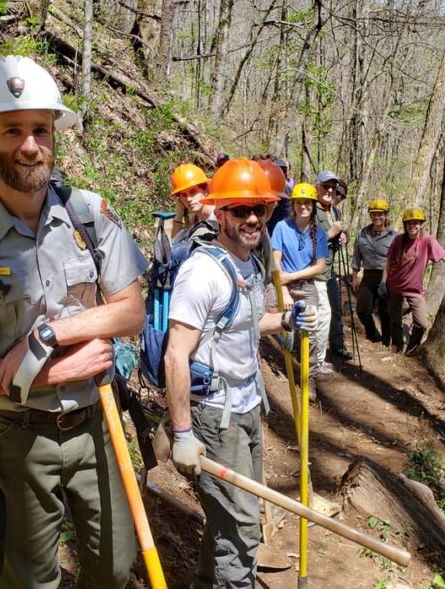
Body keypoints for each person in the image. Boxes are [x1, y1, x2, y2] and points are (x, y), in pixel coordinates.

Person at [0, 55, 149, 589]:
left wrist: (47, 336)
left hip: (98, 427)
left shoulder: (90, 216)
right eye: (12, 131)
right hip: (16, 437)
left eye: (41, 130)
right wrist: (44, 374)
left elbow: (131, 311)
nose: (30, 145)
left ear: (55, 135)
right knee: (29, 582)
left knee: (114, 568)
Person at [163, 157, 316, 588]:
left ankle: (205, 580)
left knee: (228, 516)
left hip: (247, 407)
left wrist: (284, 322)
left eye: (260, 210)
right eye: (239, 209)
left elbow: (242, 321)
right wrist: (182, 433)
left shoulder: (248, 262)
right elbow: (176, 356)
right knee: (244, 528)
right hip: (214, 415)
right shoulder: (202, 272)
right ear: (220, 212)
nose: (252, 218)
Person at [270, 183, 332, 399]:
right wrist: (284, 289)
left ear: (313, 206)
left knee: (311, 335)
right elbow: (275, 262)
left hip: (306, 286)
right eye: (299, 203)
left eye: (307, 203)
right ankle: (279, 364)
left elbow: (320, 266)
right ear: (293, 205)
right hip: (281, 285)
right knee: (274, 321)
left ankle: (309, 379)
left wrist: (292, 277)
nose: (303, 207)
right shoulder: (281, 227)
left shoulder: (320, 233)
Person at [383, 207, 445, 354]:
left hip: (415, 289)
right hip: (395, 285)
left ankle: (411, 350)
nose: (412, 226)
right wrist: (384, 281)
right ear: (405, 225)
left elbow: (443, 256)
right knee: (395, 318)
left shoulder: (427, 240)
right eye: (409, 223)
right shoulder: (398, 240)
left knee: (422, 323)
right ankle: (397, 345)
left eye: (416, 223)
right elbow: (388, 261)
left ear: (421, 224)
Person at [314, 171, 352, 362]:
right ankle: (316, 360)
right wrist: (331, 233)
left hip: (330, 270)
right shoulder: (311, 209)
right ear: (317, 187)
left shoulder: (335, 211)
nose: (330, 191)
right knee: (322, 315)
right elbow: (306, 241)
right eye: (326, 186)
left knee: (336, 307)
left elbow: (341, 232)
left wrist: (344, 235)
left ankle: (337, 346)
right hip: (314, 270)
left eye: (333, 188)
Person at [351, 199, 396, 346]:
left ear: (386, 215)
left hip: (387, 276)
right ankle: (373, 334)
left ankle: (387, 339)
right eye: (374, 214)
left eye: (380, 214)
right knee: (362, 309)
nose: (377, 217)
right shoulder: (362, 234)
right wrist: (354, 278)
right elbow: (356, 256)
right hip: (368, 275)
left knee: (385, 311)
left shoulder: (394, 237)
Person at [170, 163, 215, 239]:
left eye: (193, 191)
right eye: (184, 195)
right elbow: (175, 244)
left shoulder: (219, 217)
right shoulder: (194, 219)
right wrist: (179, 216)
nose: (188, 199)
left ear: (206, 190)